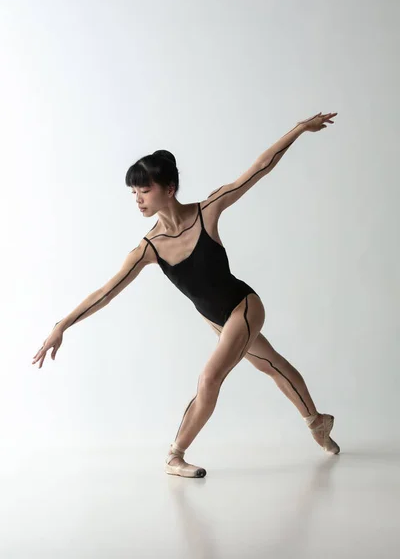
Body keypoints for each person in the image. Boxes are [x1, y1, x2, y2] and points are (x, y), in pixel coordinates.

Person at [32, 111, 339, 478]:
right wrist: (61, 324)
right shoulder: (149, 248)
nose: (138, 199)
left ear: (169, 189)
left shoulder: (206, 212)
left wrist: (299, 129)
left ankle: (175, 455)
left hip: (243, 307)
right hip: (217, 321)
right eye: (134, 192)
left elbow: (257, 169)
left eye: (144, 190)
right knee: (271, 364)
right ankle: (317, 421)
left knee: (209, 378)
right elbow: (105, 292)